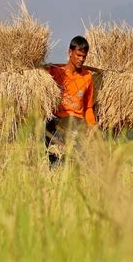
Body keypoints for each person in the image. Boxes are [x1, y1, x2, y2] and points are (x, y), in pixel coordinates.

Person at [44, 35, 96, 168]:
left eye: (84, 56)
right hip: (56, 121)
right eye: (78, 55)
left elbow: (88, 107)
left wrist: (92, 125)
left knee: (78, 164)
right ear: (70, 52)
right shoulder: (54, 72)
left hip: (76, 123)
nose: (81, 59)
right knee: (56, 164)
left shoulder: (87, 77)